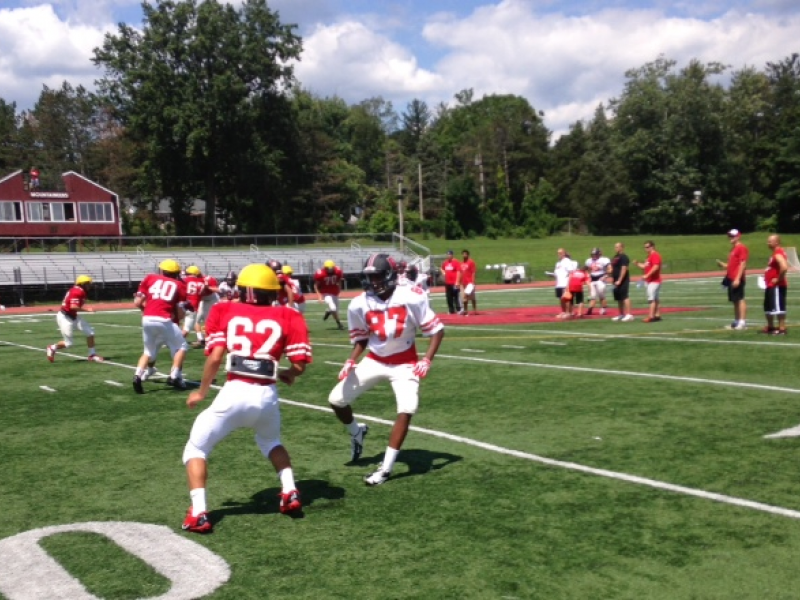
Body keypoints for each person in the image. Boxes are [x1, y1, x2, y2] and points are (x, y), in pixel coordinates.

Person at [180, 264, 313, 533]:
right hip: (267, 396)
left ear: (244, 289)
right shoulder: (289, 315)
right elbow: (299, 365)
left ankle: (199, 512)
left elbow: (216, 356)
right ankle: (289, 491)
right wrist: (289, 373)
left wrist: (202, 391)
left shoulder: (224, 309)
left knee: (195, 449)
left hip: (234, 392)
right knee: (270, 441)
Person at [328, 253, 445, 486]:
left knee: (407, 407)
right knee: (336, 399)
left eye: (378, 276)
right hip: (375, 359)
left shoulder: (411, 297)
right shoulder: (359, 303)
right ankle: (356, 432)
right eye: (370, 277)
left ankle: (386, 468)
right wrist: (351, 360)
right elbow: (361, 338)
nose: (373, 282)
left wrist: (427, 359)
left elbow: (437, 330)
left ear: (390, 276)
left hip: (405, 363)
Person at [132, 259, 190, 393]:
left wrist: (146, 309)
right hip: (164, 319)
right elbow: (180, 314)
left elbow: (137, 302)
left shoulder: (150, 278)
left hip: (147, 318)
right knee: (182, 346)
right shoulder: (179, 285)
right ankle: (174, 375)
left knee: (148, 351)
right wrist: (182, 311)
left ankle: (137, 375)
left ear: (161, 270)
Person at [46, 275, 103, 362]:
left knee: (90, 333)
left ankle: (92, 355)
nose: (90, 285)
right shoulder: (77, 291)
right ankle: (52, 347)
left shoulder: (79, 290)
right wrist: (87, 309)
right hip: (65, 317)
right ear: (83, 284)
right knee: (68, 343)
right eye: (88, 283)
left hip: (73, 315)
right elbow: (73, 306)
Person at [716, 229, 748, 330]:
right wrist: (723, 265)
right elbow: (731, 266)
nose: (730, 238)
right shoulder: (733, 249)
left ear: (738, 236)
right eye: (730, 236)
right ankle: (736, 321)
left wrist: (738, 278)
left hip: (736, 278)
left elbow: (743, 263)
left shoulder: (741, 248)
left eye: (733, 236)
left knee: (740, 299)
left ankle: (742, 322)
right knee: (735, 300)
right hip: (731, 278)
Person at [762, 234, 788, 335]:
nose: (767, 243)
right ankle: (771, 326)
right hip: (770, 285)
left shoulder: (778, 253)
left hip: (776, 286)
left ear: (776, 242)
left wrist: (778, 279)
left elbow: (784, 267)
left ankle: (782, 328)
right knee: (768, 306)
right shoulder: (775, 253)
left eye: (769, 241)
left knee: (778, 306)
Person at [635, 240, 663, 322]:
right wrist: (637, 264)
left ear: (652, 247)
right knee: (656, 298)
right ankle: (657, 315)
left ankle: (651, 316)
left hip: (654, 281)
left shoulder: (655, 255)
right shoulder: (649, 256)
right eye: (645, 247)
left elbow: (655, 267)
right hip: (651, 280)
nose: (645, 249)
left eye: (647, 247)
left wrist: (647, 275)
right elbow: (645, 266)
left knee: (651, 299)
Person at [314, 259, 345, 330]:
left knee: (335, 310)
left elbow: (339, 281)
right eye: (328, 268)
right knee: (333, 308)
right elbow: (316, 285)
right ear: (325, 268)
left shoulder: (337, 271)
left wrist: (339, 291)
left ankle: (328, 311)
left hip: (335, 292)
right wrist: (319, 296)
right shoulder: (320, 274)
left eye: (331, 268)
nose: (330, 270)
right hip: (326, 293)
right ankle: (339, 324)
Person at [182, 265, 208, 346]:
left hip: (182, 304)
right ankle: (175, 341)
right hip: (193, 306)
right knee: (187, 327)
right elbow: (201, 294)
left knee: (177, 324)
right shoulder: (202, 282)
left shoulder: (185, 280)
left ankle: (173, 340)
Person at [610, 242, 633, 321]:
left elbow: (624, 269)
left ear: (622, 247)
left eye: (617, 247)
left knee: (624, 296)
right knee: (619, 298)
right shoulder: (615, 257)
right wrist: (612, 278)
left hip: (623, 280)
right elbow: (613, 268)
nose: (615, 248)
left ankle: (629, 314)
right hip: (616, 280)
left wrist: (620, 280)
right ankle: (621, 314)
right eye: (615, 247)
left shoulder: (624, 257)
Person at [548, 248, 574, 319]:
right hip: (558, 283)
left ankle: (568, 312)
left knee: (566, 298)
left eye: (560, 253)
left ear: (564, 253)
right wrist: (552, 275)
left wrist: (568, 284)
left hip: (565, 283)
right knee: (561, 299)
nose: (558, 255)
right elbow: (557, 273)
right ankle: (563, 311)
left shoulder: (567, 261)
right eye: (558, 253)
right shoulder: (558, 263)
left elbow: (571, 273)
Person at [585, 248, 610, 316]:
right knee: (592, 296)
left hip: (600, 279)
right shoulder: (589, 261)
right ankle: (590, 310)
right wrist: (587, 275)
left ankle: (603, 308)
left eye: (595, 254)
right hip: (593, 279)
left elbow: (610, 269)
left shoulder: (604, 260)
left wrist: (605, 276)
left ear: (599, 254)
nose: (594, 256)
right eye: (593, 254)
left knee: (601, 295)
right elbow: (586, 269)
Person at [440, 250, 462, 314]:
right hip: (447, 282)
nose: (448, 256)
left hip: (454, 282)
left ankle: (458, 309)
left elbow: (458, 271)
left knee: (456, 296)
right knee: (449, 297)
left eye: (449, 254)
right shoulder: (445, 262)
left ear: (452, 255)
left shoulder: (456, 262)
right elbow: (441, 268)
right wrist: (443, 273)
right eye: (447, 254)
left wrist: (457, 281)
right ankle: (451, 310)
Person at [459, 249, 477, 315]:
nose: (464, 255)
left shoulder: (471, 262)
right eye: (463, 254)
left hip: (469, 283)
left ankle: (475, 310)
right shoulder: (461, 263)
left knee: (472, 297)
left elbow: (473, 272)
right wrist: (458, 282)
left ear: (468, 255)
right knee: (464, 297)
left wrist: (473, 281)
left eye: (465, 254)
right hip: (463, 283)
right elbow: (460, 273)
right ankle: (465, 311)